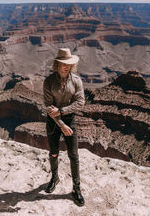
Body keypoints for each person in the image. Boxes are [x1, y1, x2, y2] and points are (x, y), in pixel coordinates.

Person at [43, 48, 85, 206]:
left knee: (74, 155)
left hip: (70, 119)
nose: (67, 67)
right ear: (57, 64)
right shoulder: (48, 81)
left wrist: (61, 110)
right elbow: (48, 106)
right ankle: (55, 177)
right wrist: (61, 124)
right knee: (53, 153)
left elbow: (80, 103)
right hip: (53, 122)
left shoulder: (76, 81)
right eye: (64, 64)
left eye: (70, 64)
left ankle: (76, 188)